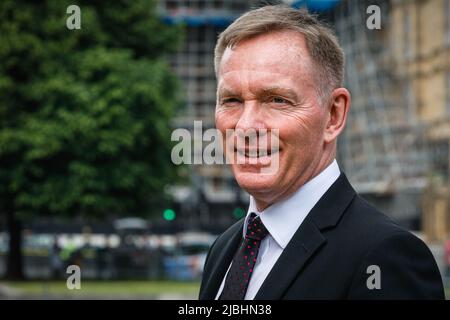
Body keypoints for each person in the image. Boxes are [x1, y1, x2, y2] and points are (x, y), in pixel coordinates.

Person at [199, 5, 445, 300]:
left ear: (333, 115)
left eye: (277, 100)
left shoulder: (384, 256)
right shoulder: (224, 248)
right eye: (232, 100)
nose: (247, 125)